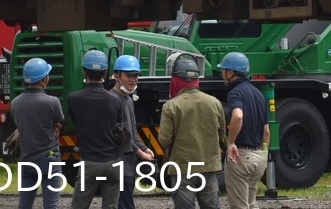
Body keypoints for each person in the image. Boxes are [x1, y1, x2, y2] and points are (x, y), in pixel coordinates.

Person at [159, 55, 226, 209]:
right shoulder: (214, 103)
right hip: (208, 167)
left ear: (176, 80)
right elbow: (222, 135)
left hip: (182, 168)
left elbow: (164, 139)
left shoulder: (171, 106)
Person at [67, 49, 123, 209]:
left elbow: (73, 121)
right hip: (113, 162)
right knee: (111, 206)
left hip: (89, 163)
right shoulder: (115, 100)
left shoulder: (74, 98)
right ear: (105, 72)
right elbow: (119, 126)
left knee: (79, 205)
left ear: (83, 71)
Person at [12, 57, 65, 209]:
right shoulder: (52, 101)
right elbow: (59, 120)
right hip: (49, 159)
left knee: (24, 205)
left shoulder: (16, 103)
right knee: (51, 205)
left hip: (27, 160)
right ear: (44, 79)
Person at [218, 53, 267, 209]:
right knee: (251, 204)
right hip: (259, 157)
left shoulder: (235, 92)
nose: (222, 73)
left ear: (231, 73)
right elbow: (266, 131)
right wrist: (263, 154)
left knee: (239, 206)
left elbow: (238, 116)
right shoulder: (259, 94)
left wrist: (231, 142)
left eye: (223, 70)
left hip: (241, 156)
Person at [109, 55, 153, 209]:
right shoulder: (111, 99)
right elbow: (119, 135)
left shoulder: (128, 100)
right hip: (117, 164)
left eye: (136, 75)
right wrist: (141, 153)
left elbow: (132, 132)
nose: (133, 79)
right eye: (129, 75)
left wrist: (144, 148)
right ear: (116, 76)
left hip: (128, 164)